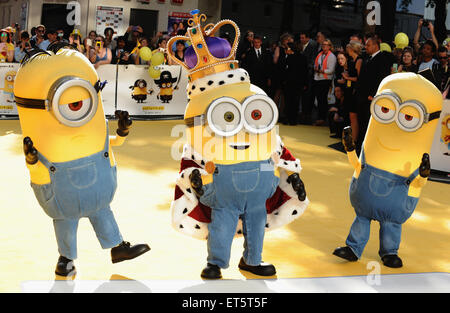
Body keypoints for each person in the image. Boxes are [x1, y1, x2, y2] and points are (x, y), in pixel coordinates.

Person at [354, 36, 393, 153]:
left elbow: (381, 79)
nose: (366, 47)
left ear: (376, 46)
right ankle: (360, 146)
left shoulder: (383, 59)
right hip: (362, 96)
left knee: (368, 124)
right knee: (361, 122)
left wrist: (374, 95)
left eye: (368, 45)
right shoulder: (367, 58)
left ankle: (367, 149)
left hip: (371, 98)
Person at [312, 38, 336, 126]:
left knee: (322, 99)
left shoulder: (332, 56)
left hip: (325, 79)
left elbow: (331, 70)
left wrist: (322, 71)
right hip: (318, 78)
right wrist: (316, 68)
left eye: (326, 45)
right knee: (319, 99)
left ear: (330, 46)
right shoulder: (320, 54)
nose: (324, 46)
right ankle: (319, 117)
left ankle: (322, 118)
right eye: (323, 45)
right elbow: (316, 64)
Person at [283, 41, 308, 125]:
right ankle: (293, 120)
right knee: (296, 101)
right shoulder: (303, 58)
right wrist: (305, 83)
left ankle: (287, 118)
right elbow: (305, 72)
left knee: (288, 101)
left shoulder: (289, 58)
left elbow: (286, 70)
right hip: (299, 83)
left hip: (290, 82)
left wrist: (285, 80)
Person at [272, 33, 294, 120]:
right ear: (283, 41)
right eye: (287, 40)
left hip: (287, 75)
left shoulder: (292, 49)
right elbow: (275, 60)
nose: (288, 42)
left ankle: (282, 114)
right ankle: (274, 113)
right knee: (277, 93)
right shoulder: (279, 48)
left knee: (285, 95)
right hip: (279, 74)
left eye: (289, 40)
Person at [345, 41, 363, 142]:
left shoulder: (359, 61)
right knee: (351, 116)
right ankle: (351, 139)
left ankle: (354, 140)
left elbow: (359, 78)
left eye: (348, 48)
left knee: (354, 116)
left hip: (355, 91)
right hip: (350, 90)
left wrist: (348, 77)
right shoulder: (352, 60)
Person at [299, 31, 318, 125]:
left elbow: (312, 60)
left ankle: (307, 114)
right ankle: (303, 113)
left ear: (307, 38)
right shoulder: (301, 45)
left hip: (308, 74)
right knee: (303, 95)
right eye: (301, 38)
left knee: (308, 95)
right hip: (302, 74)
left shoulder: (312, 45)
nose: (301, 39)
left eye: (303, 38)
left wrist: (308, 70)